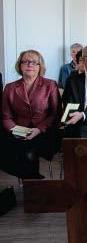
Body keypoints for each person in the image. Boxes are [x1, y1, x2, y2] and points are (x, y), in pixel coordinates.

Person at [1, 50, 61, 179]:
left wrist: (38, 130)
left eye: (34, 62)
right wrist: (15, 130)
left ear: (40, 67)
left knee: (28, 153)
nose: (30, 65)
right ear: (20, 65)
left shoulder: (50, 85)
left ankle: (32, 184)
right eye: (26, 62)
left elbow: (55, 114)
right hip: (18, 131)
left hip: (44, 132)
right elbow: (6, 116)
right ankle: (33, 181)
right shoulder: (10, 87)